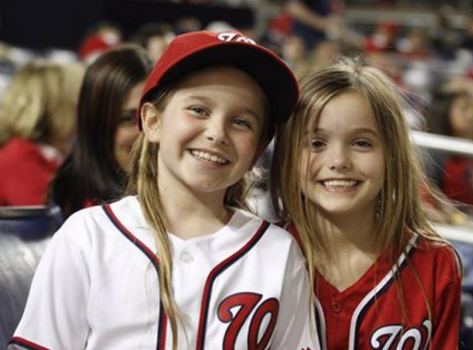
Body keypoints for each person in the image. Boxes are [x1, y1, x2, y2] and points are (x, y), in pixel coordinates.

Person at [9, 30, 319, 350]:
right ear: (152, 121)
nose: (217, 132)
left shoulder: (279, 252)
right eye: (199, 109)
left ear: (257, 149)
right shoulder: (88, 236)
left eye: (242, 122)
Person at [270, 57, 462, 349]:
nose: (338, 162)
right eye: (316, 143)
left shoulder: (436, 263)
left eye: (361, 143)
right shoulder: (261, 256)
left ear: (392, 154)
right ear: (288, 156)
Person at [48, 44, 152, 219]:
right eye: (127, 119)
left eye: (152, 117)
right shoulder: (85, 215)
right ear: (97, 126)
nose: (146, 133)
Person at [0, 60, 84, 206]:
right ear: (54, 107)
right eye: (78, 101)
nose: (84, 110)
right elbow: (51, 221)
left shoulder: (58, 153)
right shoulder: (18, 160)